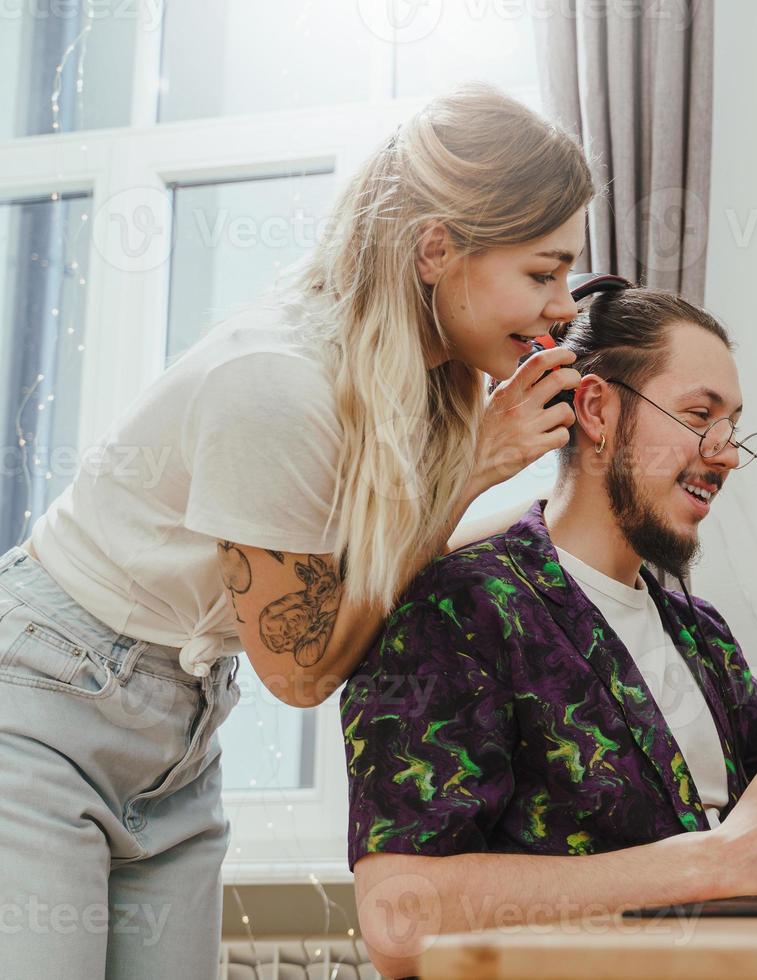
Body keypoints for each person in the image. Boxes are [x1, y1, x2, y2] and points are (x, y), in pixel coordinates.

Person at [0, 84, 594, 978]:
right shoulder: (278, 383)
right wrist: (474, 470)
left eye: (569, 277)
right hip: (45, 705)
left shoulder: (433, 389)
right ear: (436, 248)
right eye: (541, 273)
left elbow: (394, 570)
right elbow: (306, 669)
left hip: (183, 730)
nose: (563, 309)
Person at [343, 287, 757, 977]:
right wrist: (716, 860)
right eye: (698, 414)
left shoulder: (696, 630)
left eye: (732, 425)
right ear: (595, 409)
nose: (726, 452)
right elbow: (398, 917)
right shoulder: (462, 606)